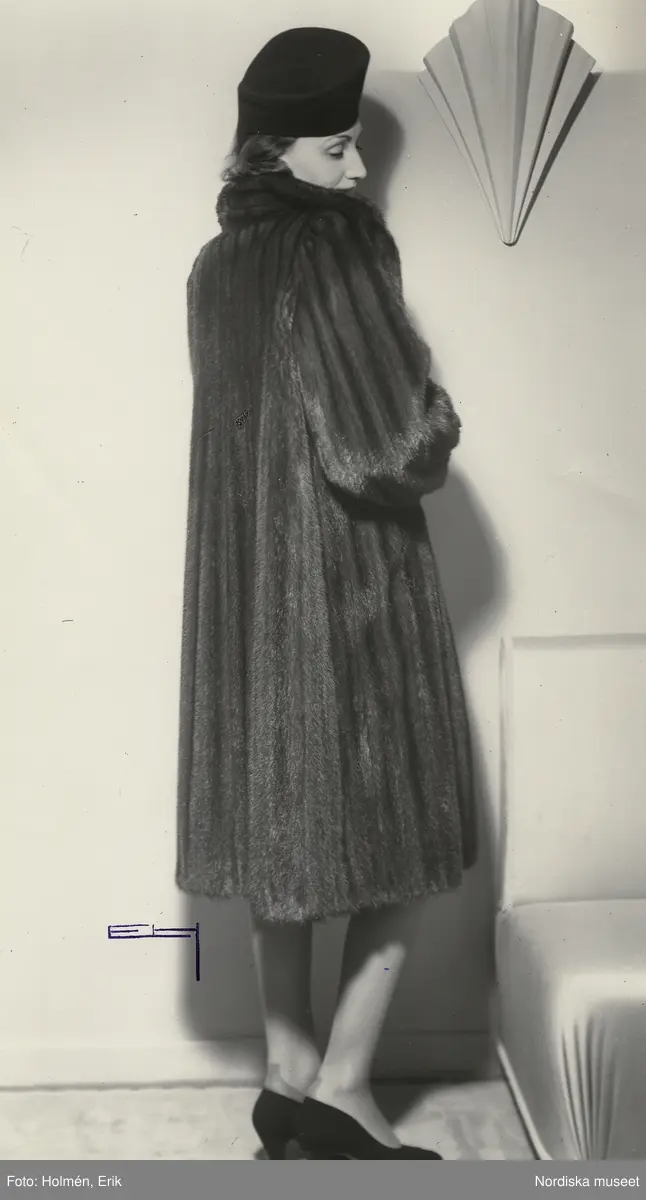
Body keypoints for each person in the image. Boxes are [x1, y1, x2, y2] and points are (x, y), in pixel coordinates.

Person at [176, 26, 477, 1160]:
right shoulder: (338, 251)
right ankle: (344, 1085)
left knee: (279, 840)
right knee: (417, 828)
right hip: (348, 594)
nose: (357, 171)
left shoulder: (214, 267)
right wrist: (436, 414)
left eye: (357, 147)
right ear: (275, 151)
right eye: (337, 148)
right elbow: (384, 446)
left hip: (248, 609)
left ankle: (286, 1073)